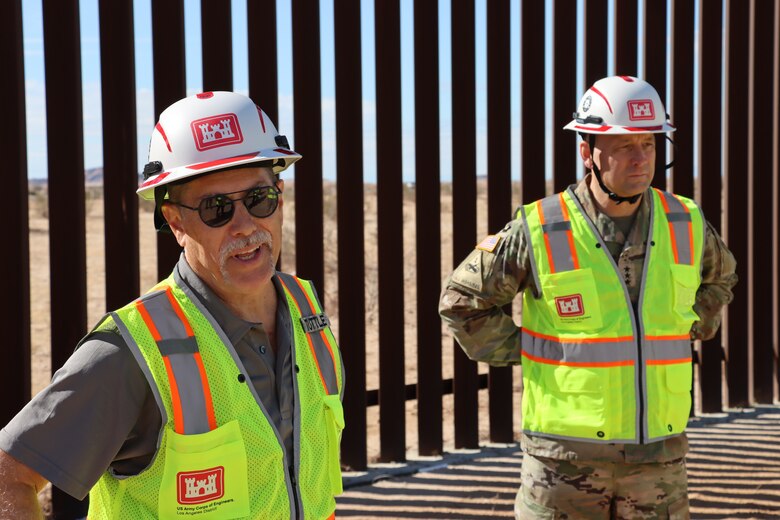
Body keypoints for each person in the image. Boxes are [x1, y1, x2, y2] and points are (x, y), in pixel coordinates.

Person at [0, 91, 345, 519]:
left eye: (259, 200)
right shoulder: (130, 351)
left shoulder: (305, 311)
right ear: (176, 221)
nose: (245, 226)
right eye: (216, 208)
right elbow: (9, 474)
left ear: (280, 196)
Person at [439, 76, 737, 519]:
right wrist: (532, 352)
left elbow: (721, 279)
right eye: (623, 147)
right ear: (587, 151)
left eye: (649, 145)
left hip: (659, 456)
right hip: (563, 462)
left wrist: (693, 323)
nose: (641, 160)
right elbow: (462, 303)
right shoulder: (540, 227)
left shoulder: (685, 221)